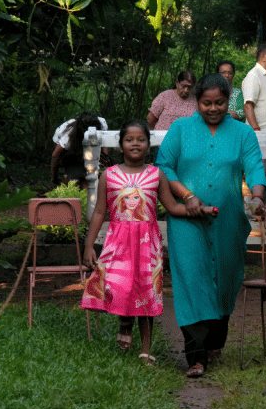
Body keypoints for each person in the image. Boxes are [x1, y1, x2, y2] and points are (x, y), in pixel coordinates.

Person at [156, 73, 266, 378]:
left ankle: (216, 340)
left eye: (219, 102)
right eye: (207, 103)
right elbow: (163, 165)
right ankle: (196, 356)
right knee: (191, 280)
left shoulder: (243, 134)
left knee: (225, 280)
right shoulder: (180, 129)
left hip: (228, 221)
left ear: (227, 100)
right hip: (186, 220)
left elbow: (255, 167)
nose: (214, 108)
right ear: (197, 101)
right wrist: (187, 196)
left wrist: (258, 197)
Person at [81, 119, 217, 366]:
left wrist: (202, 210)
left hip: (147, 244)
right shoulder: (108, 176)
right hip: (118, 244)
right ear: (121, 145)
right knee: (117, 286)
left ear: (148, 145)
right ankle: (124, 322)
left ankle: (145, 349)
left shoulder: (156, 175)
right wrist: (89, 246)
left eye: (141, 140)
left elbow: (173, 207)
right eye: (129, 140)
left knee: (146, 294)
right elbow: (100, 212)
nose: (135, 144)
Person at [50, 112, 107, 189]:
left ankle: (84, 185)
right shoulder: (67, 137)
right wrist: (54, 176)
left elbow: (104, 143)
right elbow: (55, 156)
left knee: (88, 181)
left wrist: (104, 164)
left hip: (85, 146)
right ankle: (70, 180)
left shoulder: (102, 124)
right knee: (74, 181)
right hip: (69, 150)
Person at [242, 43, 266, 132]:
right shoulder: (253, 76)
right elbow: (248, 106)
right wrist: (256, 130)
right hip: (259, 133)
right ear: (263, 56)